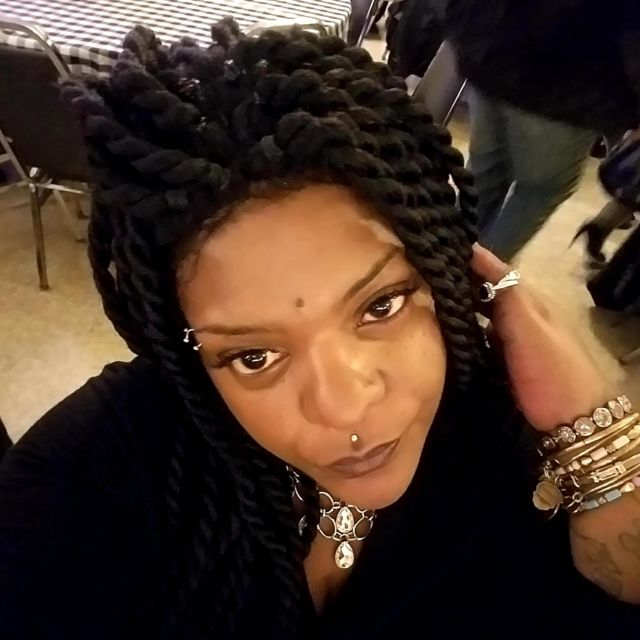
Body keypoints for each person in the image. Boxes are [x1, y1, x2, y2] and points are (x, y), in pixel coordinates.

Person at [1, 21, 640, 639]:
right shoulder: (95, 473)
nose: (344, 407)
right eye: (253, 355)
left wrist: (598, 432)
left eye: (381, 306)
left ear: (447, 272)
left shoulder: (510, 432)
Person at [435, 0, 640, 261]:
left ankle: (437, 259)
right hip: (566, 81)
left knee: (486, 170)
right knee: (538, 191)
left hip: (489, 46)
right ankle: (473, 277)